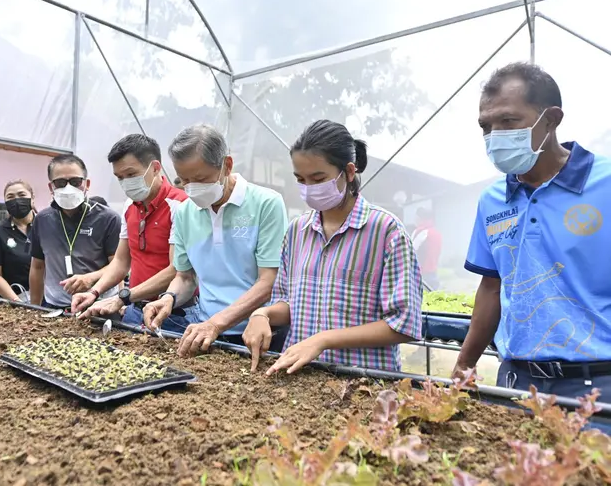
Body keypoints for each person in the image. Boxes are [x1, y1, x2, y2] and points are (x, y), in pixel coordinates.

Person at [453, 62, 611, 397]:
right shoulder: (493, 200)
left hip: (598, 381)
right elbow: (491, 288)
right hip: (516, 381)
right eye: (486, 126)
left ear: (551, 120)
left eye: (508, 121)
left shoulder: (605, 184)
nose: (495, 136)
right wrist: (464, 365)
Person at [242, 120, 423, 375]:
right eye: (301, 179)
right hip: (301, 378)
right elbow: (288, 303)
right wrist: (263, 314)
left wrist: (323, 339)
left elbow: (403, 324)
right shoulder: (296, 232)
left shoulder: (386, 232)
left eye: (318, 179)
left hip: (362, 382)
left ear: (349, 172)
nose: (309, 188)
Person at [140, 124, 289, 357]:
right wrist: (169, 298)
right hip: (206, 332)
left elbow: (267, 282)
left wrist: (217, 323)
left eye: (200, 179)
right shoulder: (184, 213)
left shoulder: (266, 204)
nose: (192, 188)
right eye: (184, 180)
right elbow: (185, 277)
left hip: (257, 333)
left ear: (226, 166)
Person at [72, 134, 191, 322]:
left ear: (155, 168)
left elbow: (175, 270)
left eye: (131, 174)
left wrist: (122, 297)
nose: (125, 182)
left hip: (172, 313)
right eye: (119, 177)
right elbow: (121, 261)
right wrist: (95, 292)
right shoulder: (130, 206)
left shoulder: (180, 206)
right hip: (134, 307)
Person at [29, 154, 121, 309]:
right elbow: (37, 267)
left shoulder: (108, 218)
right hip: (55, 306)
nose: (68, 188)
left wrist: (91, 279)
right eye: (60, 183)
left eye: (75, 182)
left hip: (98, 305)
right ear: (51, 187)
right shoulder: (42, 220)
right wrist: (33, 308)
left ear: (87, 184)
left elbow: (118, 265)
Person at [0, 180, 36, 301]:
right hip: (13, 301)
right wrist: (19, 303)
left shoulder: (45, 226)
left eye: (22, 195)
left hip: (47, 300)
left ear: (32, 198)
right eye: (10, 197)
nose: (16, 200)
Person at [411, 207, 442, 290]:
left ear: (420, 218)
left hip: (422, 273)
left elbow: (411, 251)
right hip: (433, 271)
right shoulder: (436, 233)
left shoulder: (421, 232)